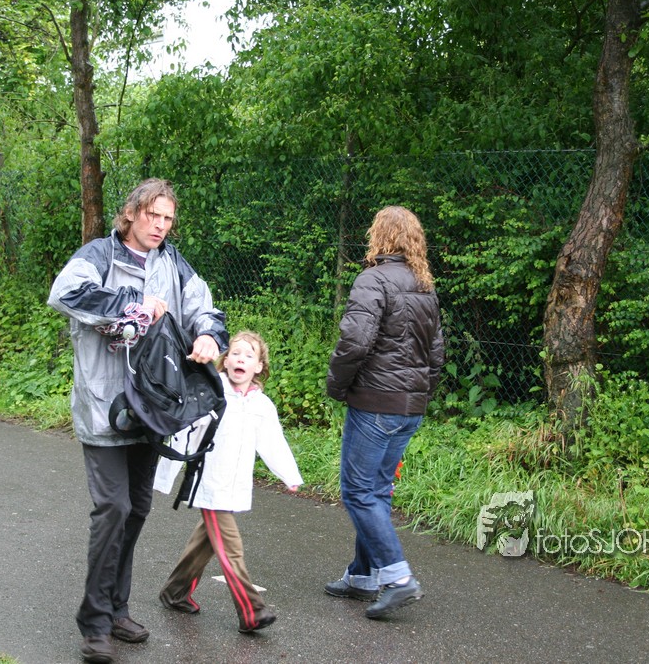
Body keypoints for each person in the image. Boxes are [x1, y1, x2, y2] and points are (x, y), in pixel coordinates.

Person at [47, 178, 228, 664]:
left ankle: (117, 609)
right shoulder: (98, 255)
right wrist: (132, 305)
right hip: (104, 406)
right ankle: (95, 623)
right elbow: (65, 293)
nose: (161, 226)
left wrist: (209, 336)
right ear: (131, 213)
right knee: (113, 507)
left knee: (137, 508)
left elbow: (204, 308)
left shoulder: (173, 262)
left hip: (152, 408)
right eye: (153, 215)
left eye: (168, 218)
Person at [324, 205, 445, 619]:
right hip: (409, 405)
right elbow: (437, 352)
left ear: (379, 236)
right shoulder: (425, 285)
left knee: (358, 492)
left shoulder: (372, 279)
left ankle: (398, 577)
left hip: (376, 403)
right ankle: (364, 576)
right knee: (375, 491)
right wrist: (419, 394)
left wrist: (337, 386)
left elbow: (355, 341)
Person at [155, 331, 303, 634]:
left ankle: (175, 592)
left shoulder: (262, 405)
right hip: (209, 482)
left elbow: (273, 442)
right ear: (225, 360)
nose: (240, 359)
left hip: (234, 487)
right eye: (235, 353)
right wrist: (166, 472)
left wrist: (289, 475)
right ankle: (251, 610)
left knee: (207, 540)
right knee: (230, 547)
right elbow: (184, 432)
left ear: (258, 366)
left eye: (249, 355)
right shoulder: (211, 393)